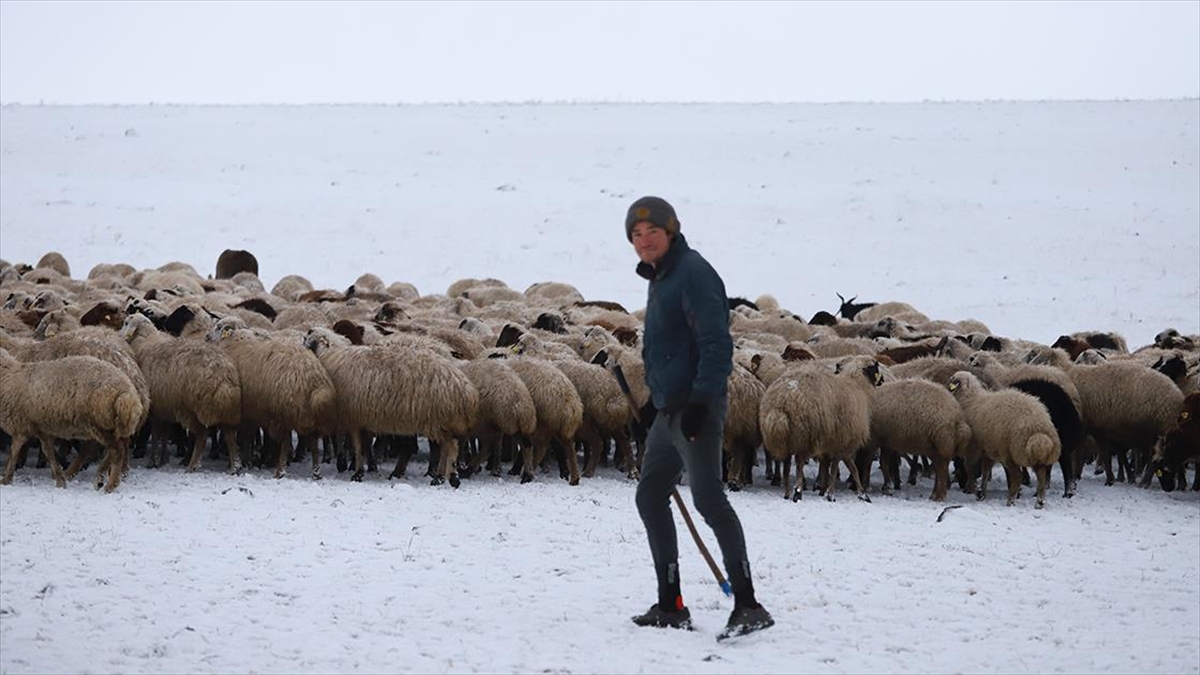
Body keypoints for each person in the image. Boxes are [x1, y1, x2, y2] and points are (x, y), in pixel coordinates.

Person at [625, 195, 774, 639]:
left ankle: (748, 604)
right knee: (651, 495)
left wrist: (701, 403)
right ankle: (671, 604)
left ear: (671, 231)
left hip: (695, 411)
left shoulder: (693, 273)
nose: (644, 240)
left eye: (652, 232)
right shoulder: (661, 277)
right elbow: (667, 346)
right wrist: (657, 398)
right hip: (669, 410)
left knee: (708, 500)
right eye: (636, 235)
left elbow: (715, 344)